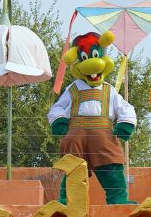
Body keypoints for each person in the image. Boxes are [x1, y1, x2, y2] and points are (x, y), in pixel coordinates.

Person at [48, 31, 137, 205]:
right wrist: (60, 120)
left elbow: (125, 108)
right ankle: (68, 201)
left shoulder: (109, 89)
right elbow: (57, 107)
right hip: (76, 137)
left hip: (103, 137)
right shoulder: (73, 88)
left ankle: (118, 200)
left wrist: (125, 124)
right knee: (74, 168)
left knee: (111, 167)